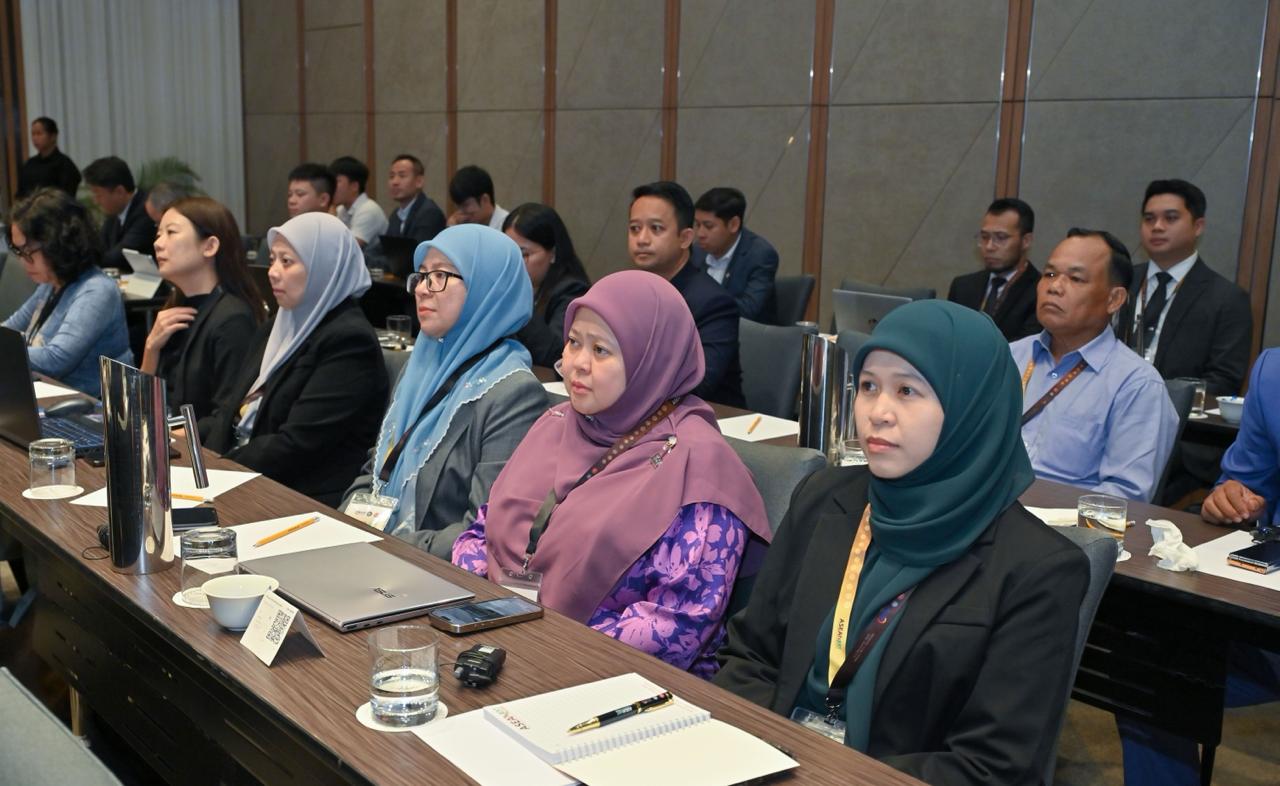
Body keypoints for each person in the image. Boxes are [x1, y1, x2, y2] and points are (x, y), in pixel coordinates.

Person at [715, 299, 1089, 783]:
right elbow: (750, 655)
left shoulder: (1036, 569)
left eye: (907, 391)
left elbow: (994, 767)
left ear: (970, 407)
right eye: (869, 386)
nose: (878, 413)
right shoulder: (825, 498)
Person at [453, 270, 771, 676]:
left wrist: (539, 637)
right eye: (573, 342)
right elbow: (480, 532)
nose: (577, 364)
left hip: (616, 680)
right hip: (498, 641)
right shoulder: (557, 423)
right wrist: (493, 612)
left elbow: (677, 628)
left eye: (601, 350)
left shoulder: (699, 467)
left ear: (651, 360)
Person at [1114, 348, 1280, 786]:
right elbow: (1245, 484)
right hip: (1266, 609)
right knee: (1145, 670)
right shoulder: (1274, 373)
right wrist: (1228, 498)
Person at [343, 224, 547, 558]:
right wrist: (346, 524)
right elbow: (377, 467)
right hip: (377, 550)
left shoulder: (513, 393)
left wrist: (386, 545)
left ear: (487, 288)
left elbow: (482, 532)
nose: (423, 289)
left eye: (440, 275)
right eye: (422, 276)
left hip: (433, 570)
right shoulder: (420, 366)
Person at [200, 213, 387, 507]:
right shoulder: (278, 325)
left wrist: (218, 469)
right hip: (251, 475)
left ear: (324, 267)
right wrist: (198, 456)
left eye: (286, 261)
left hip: (301, 497)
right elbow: (230, 410)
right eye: (272, 260)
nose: (273, 272)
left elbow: (297, 445)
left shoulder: (349, 341)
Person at [1009, 229, 1178, 502]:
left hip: (1062, 522)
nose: (1054, 287)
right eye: (1049, 274)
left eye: (1075, 278)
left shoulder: (1136, 385)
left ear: (1114, 300)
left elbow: (1125, 496)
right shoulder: (1008, 356)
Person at [1121, 179, 1252, 397]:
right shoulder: (1121, 281)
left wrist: (1155, 397)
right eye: (1149, 219)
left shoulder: (1227, 299)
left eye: (1171, 218)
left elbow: (1224, 381)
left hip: (1177, 415)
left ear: (1198, 226)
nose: (1157, 227)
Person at [140, 197, 265, 420]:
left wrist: (167, 432)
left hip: (193, 441)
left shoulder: (232, 319)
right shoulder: (175, 308)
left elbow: (227, 418)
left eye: (171, 232)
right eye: (159, 234)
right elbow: (140, 407)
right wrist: (151, 349)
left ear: (209, 246)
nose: (158, 243)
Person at [3, 189, 131, 396]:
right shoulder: (52, 283)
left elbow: (56, 359)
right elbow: (11, 330)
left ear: (59, 244)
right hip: (54, 397)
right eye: (19, 251)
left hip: (93, 406)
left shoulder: (97, 290)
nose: (23, 261)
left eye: (28, 251)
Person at [629, 181, 744, 406]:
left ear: (685, 238)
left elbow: (700, 383)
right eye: (634, 228)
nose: (641, 239)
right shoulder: (627, 293)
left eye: (656, 228)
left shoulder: (713, 303)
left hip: (709, 418)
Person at [502, 202, 590, 367]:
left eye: (523, 254)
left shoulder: (572, 291)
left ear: (553, 253)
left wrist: (517, 299)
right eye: (509, 254)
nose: (515, 263)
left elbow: (555, 354)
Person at [946, 197, 1042, 341]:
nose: (989, 246)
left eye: (1001, 237)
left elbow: (1026, 346)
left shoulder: (1040, 291)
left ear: (1026, 241)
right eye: (984, 237)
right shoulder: (962, 286)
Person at [692, 187, 779, 322]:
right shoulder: (696, 251)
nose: (700, 234)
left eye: (708, 226)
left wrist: (702, 302)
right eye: (697, 225)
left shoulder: (761, 255)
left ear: (733, 224)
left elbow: (749, 310)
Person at [82, 156, 155, 272]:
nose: (95, 201)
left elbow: (119, 256)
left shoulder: (147, 211)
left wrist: (81, 261)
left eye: (98, 195)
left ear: (119, 191)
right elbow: (100, 247)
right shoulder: (115, 212)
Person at [383, 154, 446, 244]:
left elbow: (418, 250)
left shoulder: (430, 213)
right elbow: (385, 247)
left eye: (402, 176)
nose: (395, 182)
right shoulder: (395, 215)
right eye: (391, 176)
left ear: (419, 181)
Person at [331, 156, 388, 247]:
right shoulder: (341, 209)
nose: (331, 187)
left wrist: (330, 218)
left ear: (354, 186)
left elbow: (349, 247)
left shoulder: (368, 210)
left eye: (337, 181)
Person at [17, 117, 81, 198]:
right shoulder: (30, 164)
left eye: (39, 134)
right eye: (33, 134)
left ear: (53, 136)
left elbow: (67, 197)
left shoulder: (65, 164)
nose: (35, 138)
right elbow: (21, 194)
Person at [446, 165, 508, 229]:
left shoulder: (507, 228)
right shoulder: (464, 225)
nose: (460, 213)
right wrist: (453, 229)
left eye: (465, 205)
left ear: (485, 200)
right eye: (458, 207)